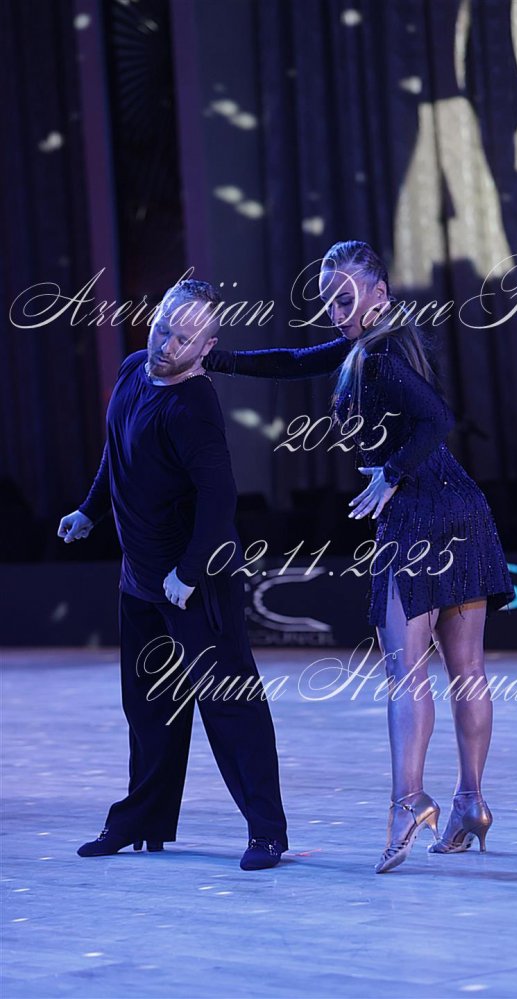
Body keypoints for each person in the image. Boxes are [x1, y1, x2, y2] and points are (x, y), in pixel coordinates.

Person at [203, 241, 515, 874]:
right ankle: (470, 803)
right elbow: (293, 361)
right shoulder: (377, 345)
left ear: (379, 294)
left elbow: (438, 418)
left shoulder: (378, 356)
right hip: (462, 508)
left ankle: (408, 804)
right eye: (328, 300)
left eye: (345, 298)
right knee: (468, 670)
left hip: (420, 515)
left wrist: (392, 473)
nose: (335, 310)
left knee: (408, 672)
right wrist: (216, 358)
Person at [57, 279, 288, 871]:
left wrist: (187, 572)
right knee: (148, 705)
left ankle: (267, 831)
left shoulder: (194, 406)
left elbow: (220, 497)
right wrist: (89, 510)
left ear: (206, 346)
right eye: (163, 328)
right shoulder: (133, 371)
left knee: (228, 703)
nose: (167, 345)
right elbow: (117, 451)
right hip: (140, 577)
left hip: (196, 580)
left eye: (185, 339)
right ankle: (141, 821)